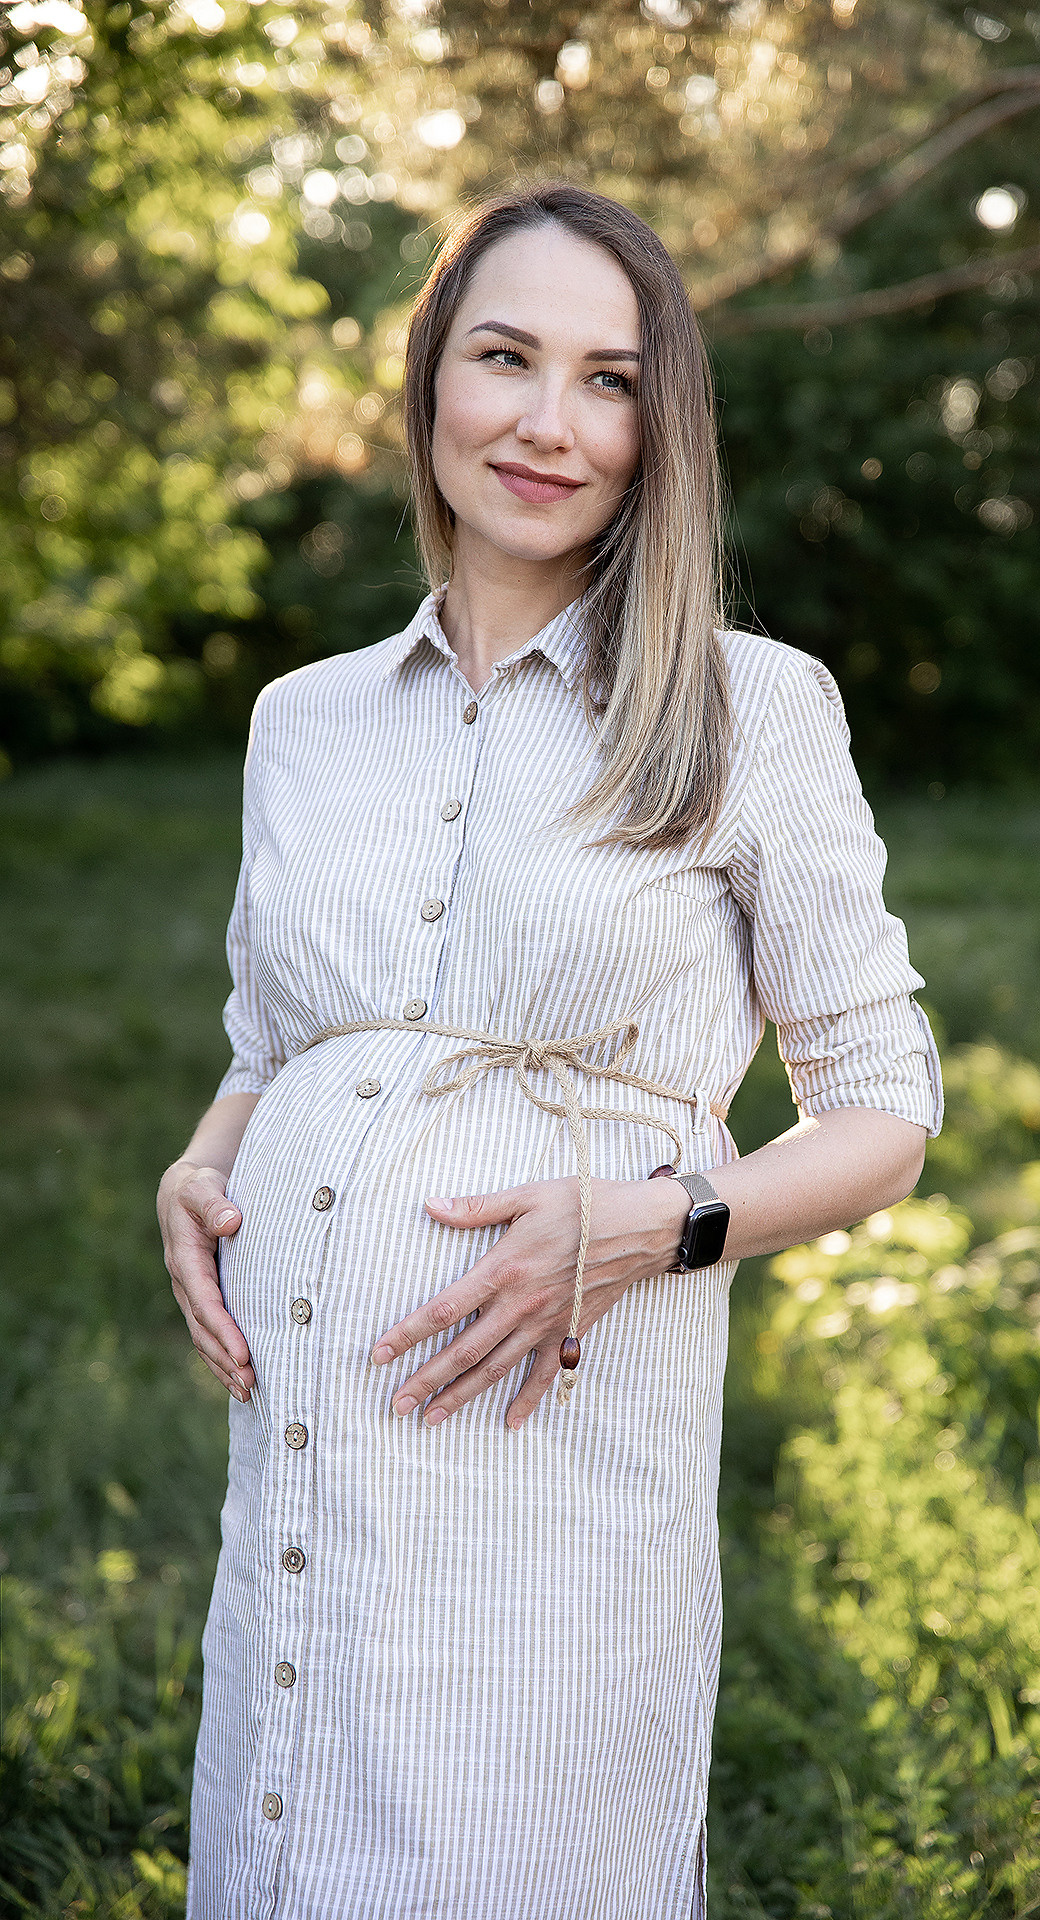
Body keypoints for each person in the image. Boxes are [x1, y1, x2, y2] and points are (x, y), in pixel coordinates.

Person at [157, 180, 944, 1920]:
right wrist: (209, 1162)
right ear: (432, 376)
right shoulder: (306, 725)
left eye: (610, 379)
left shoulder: (751, 708)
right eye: (507, 358)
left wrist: (653, 1218)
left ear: (662, 426)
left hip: (556, 1433)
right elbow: (272, 1034)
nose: (548, 423)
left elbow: (886, 1113)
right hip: (304, 1429)